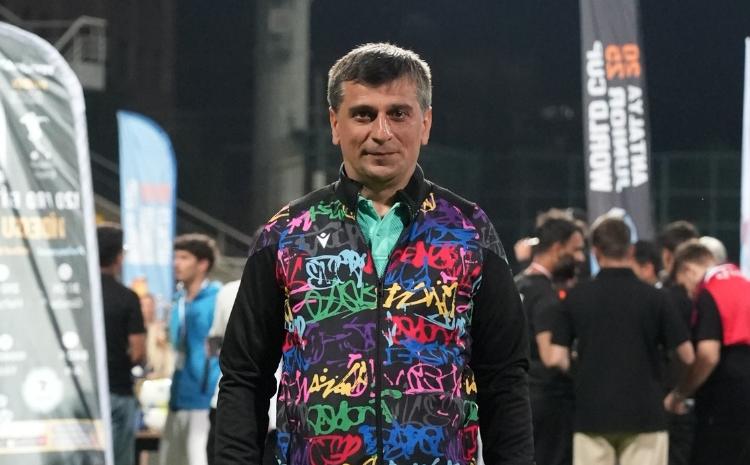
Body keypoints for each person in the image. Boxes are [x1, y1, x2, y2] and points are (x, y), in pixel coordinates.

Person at [215, 43, 534, 465]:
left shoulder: (470, 231)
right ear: (335, 123)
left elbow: (505, 380)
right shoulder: (285, 233)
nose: (381, 132)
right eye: (363, 114)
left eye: (398, 114)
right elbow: (244, 377)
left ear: (425, 123)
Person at [545, 216, 694, 465]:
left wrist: (582, 374)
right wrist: (671, 387)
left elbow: (555, 358)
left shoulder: (576, 297)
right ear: (631, 249)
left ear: (596, 251)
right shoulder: (656, 298)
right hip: (646, 414)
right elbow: (687, 355)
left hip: (592, 414)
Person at [667, 240, 750, 465]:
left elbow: (708, 355)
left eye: (684, 286)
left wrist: (681, 393)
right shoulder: (743, 280)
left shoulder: (710, 289)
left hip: (728, 393)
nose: (689, 294)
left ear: (687, 269)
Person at [516, 215, 584, 465]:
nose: (580, 258)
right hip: (547, 400)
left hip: (516, 397)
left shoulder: (516, 284)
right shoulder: (546, 297)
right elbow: (552, 357)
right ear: (557, 248)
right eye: (576, 249)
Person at [159, 234, 222, 465]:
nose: (176, 263)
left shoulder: (217, 298)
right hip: (177, 397)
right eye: (175, 257)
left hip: (204, 399)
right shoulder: (177, 301)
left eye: (184, 258)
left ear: (203, 264)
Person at [98, 223, 146, 465]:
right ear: (118, 257)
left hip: (85, 391)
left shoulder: (77, 293)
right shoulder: (127, 297)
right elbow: (138, 351)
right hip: (118, 389)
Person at [656, 220, 699, 465]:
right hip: (703, 399)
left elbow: (684, 354)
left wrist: (676, 394)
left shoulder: (663, 299)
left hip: (669, 401)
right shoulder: (707, 298)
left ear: (666, 256)